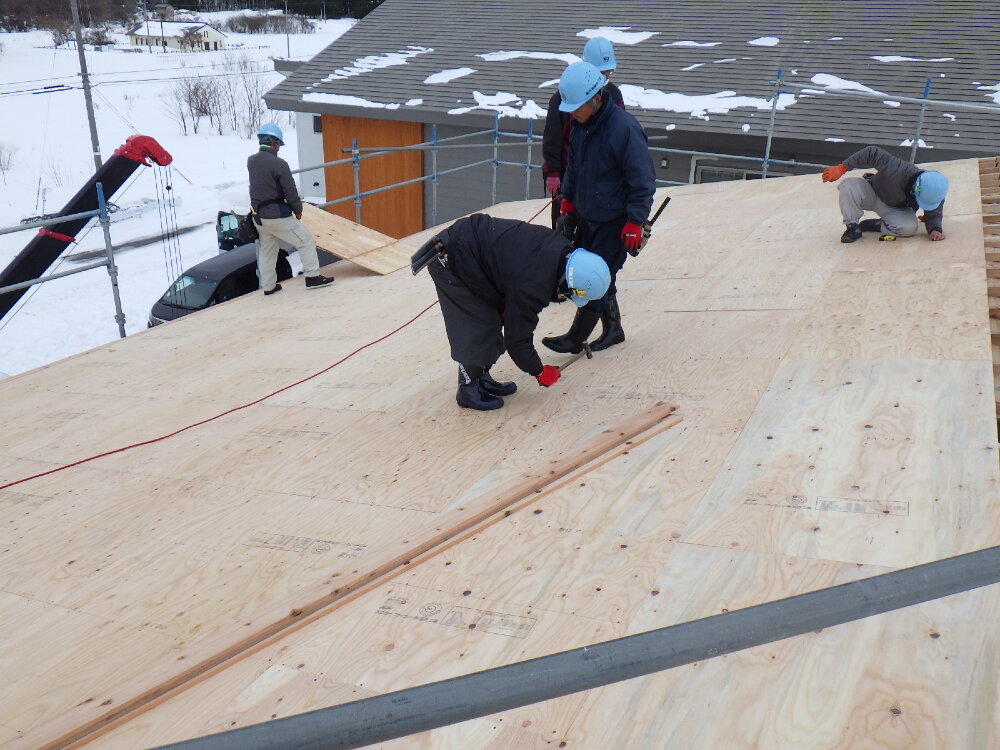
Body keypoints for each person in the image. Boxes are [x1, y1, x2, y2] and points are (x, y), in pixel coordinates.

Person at [413, 213, 611, 411]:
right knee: (477, 322)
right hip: (450, 258)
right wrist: (539, 371)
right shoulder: (535, 284)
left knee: (494, 317)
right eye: (571, 293)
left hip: (473, 252)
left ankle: (481, 378)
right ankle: (467, 389)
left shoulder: (559, 249)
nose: (566, 297)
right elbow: (517, 340)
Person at [544, 61, 655, 355]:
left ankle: (575, 337)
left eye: (577, 107)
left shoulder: (625, 130)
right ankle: (614, 328)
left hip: (615, 220)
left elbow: (642, 182)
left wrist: (634, 222)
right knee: (599, 273)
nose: (573, 113)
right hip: (588, 215)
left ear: (596, 98)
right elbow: (575, 168)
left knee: (593, 276)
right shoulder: (582, 125)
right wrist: (567, 200)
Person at [541, 37, 625, 229]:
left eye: (608, 72)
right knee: (564, 229)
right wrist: (553, 171)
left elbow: (621, 138)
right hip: (568, 177)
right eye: (601, 72)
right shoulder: (564, 97)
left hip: (602, 178)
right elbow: (552, 137)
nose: (605, 76)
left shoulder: (614, 96)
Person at [247, 123, 334, 295]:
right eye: (278, 144)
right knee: (305, 241)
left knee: (267, 251)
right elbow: (290, 191)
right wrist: (298, 209)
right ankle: (312, 277)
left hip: (259, 217)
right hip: (277, 215)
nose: (279, 147)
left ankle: (269, 286)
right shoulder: (279, 164)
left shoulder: (251, 161)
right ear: (273, 142)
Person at [822, 145, 948, 243]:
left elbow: (934, 213)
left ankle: (877, 225)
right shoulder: (897, 169)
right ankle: (852, 226)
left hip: (896, 207)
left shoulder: (936, 188)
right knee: (848, 186)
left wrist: (934, 229)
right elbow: (871, 152)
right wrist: (842, 168)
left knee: (909, 228)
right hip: (873, 191)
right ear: (916, 188)